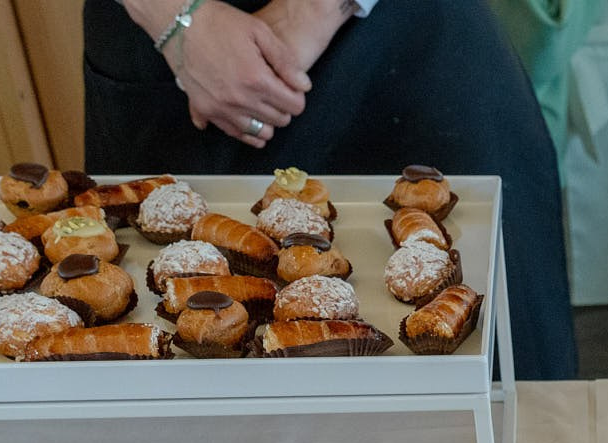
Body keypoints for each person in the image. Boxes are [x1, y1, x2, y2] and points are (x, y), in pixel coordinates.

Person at [84, 0, 579, 379]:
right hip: (169, 57)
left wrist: (319, 5)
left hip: (404, 43)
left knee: (501, 389)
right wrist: (175, 17)